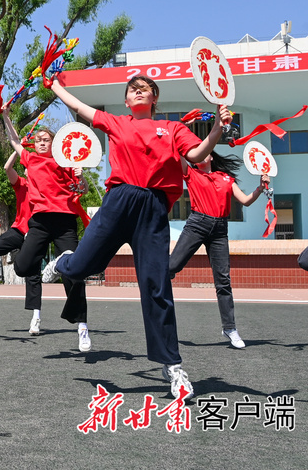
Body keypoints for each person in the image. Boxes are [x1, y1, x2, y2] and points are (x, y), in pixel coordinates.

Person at [45, 74, 230, 400]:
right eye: (132, 89)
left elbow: (198, 155)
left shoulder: (173, 129)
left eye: (144, 88)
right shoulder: (117, 122)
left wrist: (216, 128)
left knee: (157, 287)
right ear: (128, 101)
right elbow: (79, 106)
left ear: (154, 98)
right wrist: (55, 86)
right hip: (119, 203)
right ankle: (65, 262)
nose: (138, 90)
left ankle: (172, 366)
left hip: (154, 211)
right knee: (81, 267)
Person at [1, 106, 90, 351]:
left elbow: (82, 190)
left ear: (54, 142)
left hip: (64, 221)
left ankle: (82, 327)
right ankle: (54, 265)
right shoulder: (30, 159)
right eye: (38, 140)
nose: (41, 143)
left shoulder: (66, 161)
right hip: (40, 222)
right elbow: (14, 140)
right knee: (21, 267)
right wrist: (7, 115)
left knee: (75, 275)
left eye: (46, 139)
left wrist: (80, 178)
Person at [169, 151, 270, 349]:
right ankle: (160, 314)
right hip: (197, 224)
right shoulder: (190, 173)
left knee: (223, 281)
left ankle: (230, 328)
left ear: (212, 157)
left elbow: (245, 200)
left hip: (220, 230)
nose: (201, 155)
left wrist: (260, 187)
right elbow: (176, 151)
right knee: (170, 266)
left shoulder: (226, 178)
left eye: (206, 153)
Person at [0, 151, 43, 332]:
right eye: (29, 169)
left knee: (33, 276)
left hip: (37, 236)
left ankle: (36, 317)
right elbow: (7, 168)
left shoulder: (47, 186)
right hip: (18, 231)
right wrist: (18, 147)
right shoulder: (21, 184)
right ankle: (17, 253)